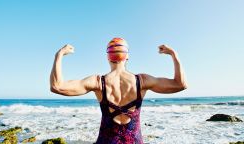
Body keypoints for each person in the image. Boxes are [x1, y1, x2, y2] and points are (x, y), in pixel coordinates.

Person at [50, 37, 187, 144]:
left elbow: (57, 86)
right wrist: (174, 55)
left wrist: (59, 55)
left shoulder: (98, 82)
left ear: (108, 57)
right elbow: (180, 84)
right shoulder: (142, 81)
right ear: (127, 56)